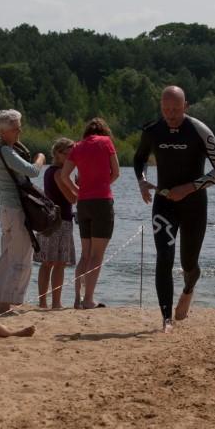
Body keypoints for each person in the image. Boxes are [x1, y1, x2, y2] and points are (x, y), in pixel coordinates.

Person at [134, 85, 215, 332]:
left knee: (189, 264)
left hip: (194, 205)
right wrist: (142, 180)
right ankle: (166, 319)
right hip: (164, 203)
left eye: (176, 109)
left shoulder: (198, 130)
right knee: (164, 258)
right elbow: (139, 158)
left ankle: (188, 289)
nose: (171, 115)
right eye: (166, 110)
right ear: (161, 107)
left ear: (186, 106)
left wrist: (189, 188)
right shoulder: (152, 130)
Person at [0, 109, 45, 316]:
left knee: (6, 258)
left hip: (6, 210)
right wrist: (41, 158)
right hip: (15, 210)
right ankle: (5, 307)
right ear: (3, 132)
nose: (19, 132)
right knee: (20, 259)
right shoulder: (5, 151)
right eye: (15, 129)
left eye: (19, 127)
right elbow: (33, 171)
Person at [61, 118, 120, 309]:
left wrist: (78, 191)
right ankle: (88, 299)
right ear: (104, 132)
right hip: (102, 202)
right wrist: (103, 185)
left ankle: (77, 299)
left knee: (85, 255)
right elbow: (116, 172)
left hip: (83, 203)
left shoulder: (77, 146)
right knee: (97, 255)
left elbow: (64, 176)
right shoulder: (106, 142)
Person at [34, 138, 77, 309]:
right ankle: (55, 303)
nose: (72, 158)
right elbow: (71, 198)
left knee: (49, 264)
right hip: (59, 221)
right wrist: (79, 186)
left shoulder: (49, 171)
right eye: (69, 154)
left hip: (51, 221)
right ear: (58, 154)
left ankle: (44, 302)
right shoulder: (59, 173)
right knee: (57, 264)